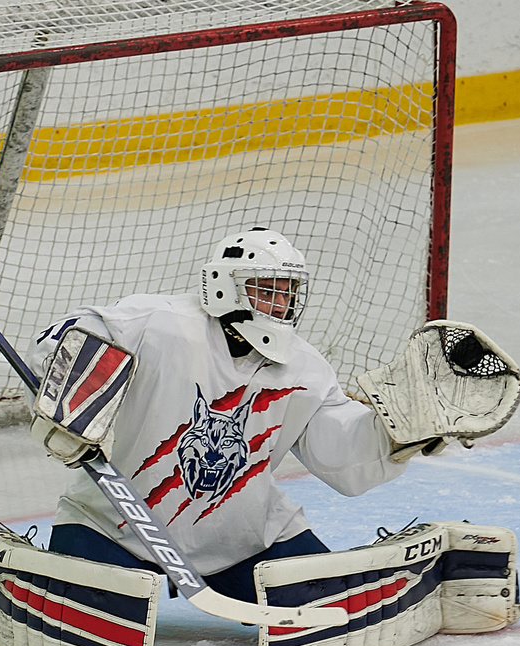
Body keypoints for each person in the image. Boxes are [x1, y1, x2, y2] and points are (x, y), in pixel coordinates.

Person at [34, 225, 414, 609]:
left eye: (288, 292)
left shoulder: (305, 369)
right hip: (114, 529)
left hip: (244, 542)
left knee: (333, 606)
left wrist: (400, 432)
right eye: (268, 290)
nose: (280, 305)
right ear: (224, 286)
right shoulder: (158, 324)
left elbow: (344, 455)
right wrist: (70, 397)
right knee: (86, 612)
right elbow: (63, 338)